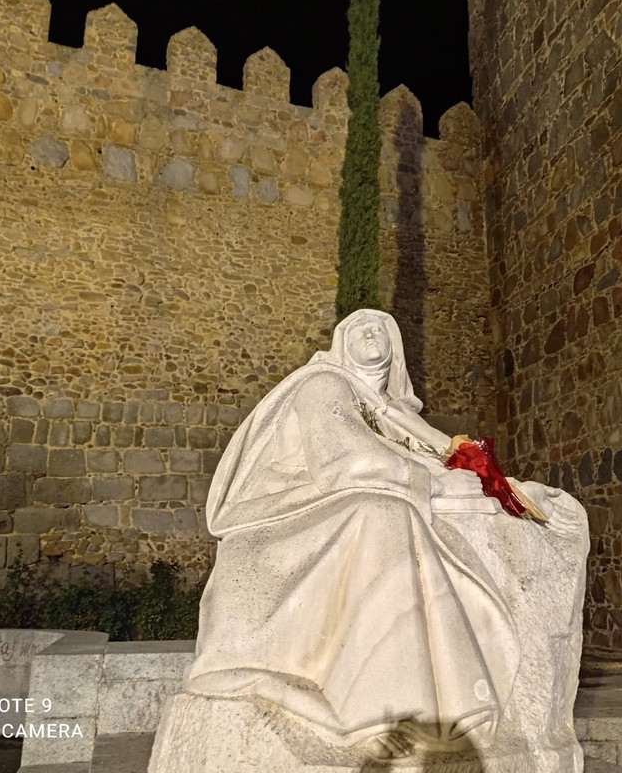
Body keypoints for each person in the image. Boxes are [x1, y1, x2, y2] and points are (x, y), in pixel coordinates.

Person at [184, 309, 581, 760]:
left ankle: (435, 700)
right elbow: (344, 461)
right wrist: (433, 484)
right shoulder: (323, 385)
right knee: (384, 514)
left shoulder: (397, 417)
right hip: (293, 509)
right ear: (341, 345)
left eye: (382, 329)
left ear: (396, 352)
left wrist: (510, 490)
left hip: (347, 500)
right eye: (360, 328)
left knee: (409, 515)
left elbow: (450, 465)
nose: (372, 333)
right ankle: (377, 706)